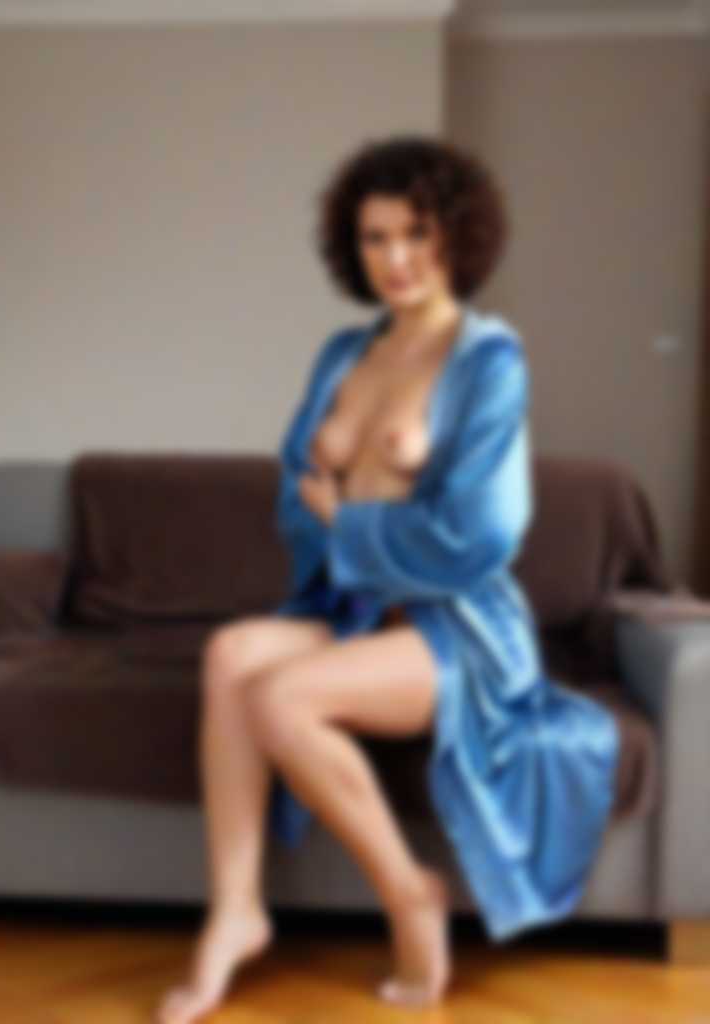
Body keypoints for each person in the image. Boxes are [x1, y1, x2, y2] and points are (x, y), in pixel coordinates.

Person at [156, 135, 620, 1023]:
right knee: (230, 654)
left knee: (282, 698)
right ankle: (237, 911)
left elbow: (482, 533)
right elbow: (296, 499)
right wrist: (336, 521)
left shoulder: (488, 360)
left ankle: (411, 893)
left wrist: (350, 521)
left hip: (461, 628)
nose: (395, 258)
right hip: (359, 609)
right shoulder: (343, 353)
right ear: (351, 246)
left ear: (457, 236)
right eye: (374, 238)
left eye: (416, 233)